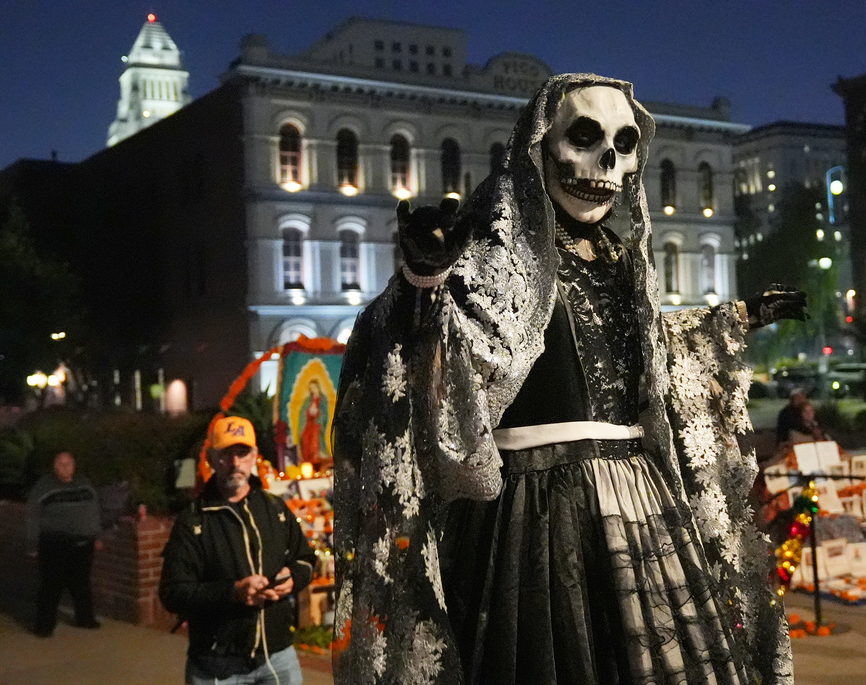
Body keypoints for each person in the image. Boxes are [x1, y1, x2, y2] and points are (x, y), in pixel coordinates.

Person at [332, 74, 804, 684]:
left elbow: (650, 346)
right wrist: (424, 278)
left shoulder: (621, 254)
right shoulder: (491, 247)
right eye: (584, 138)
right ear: (539, 146)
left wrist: (738, 317)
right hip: (531, 506)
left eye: (624, 145)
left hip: (637, 492)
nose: (607, 162)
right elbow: (420, 346)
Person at [159, 416, 318, 684]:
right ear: (210, 459)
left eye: (242, 453)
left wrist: (293, 578)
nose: (235, 463)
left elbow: (306, 558)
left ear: (255, 456)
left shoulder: (275, 509)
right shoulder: (194, 520)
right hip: (217, 664)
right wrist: (233, 592)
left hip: (277, 656)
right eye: (225, 454)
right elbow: (172, 593)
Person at [26, 450, 103, 637]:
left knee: (81, 583)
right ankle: (44, 626)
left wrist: (97, 535)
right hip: (55, 543)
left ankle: (85, 619)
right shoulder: (44, 487)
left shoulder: (84, 484)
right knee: (52, 584)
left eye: (68, 463)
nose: (65, 467)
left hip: (83, 543)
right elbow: (32, 515)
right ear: (54, 466)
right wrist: (31, 543)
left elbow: (94, 510)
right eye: (60, 463)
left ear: (74, 465)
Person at [299, 379, 329, 468]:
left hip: (317, 424)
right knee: (305, 438)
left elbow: (324, 413)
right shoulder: (308, 400)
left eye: (314, 387)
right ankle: (308, 461)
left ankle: (316, 462)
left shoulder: (322, 399)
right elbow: (303, 412)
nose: (313, 389)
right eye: (311, 388)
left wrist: (318, 417)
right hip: (308, 423)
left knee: (315, 440)